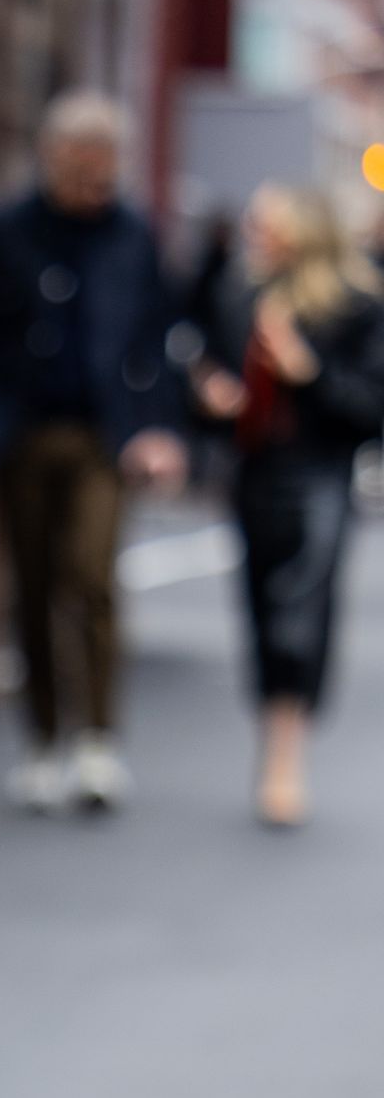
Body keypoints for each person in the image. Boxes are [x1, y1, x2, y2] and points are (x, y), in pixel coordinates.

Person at [0, 90, 186, 813]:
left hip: (103, 438)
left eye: (105, 170)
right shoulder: (5, 231)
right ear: (53, 158)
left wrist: (157, 425)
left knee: (92, 577)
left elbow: (161, 337)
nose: (93, 184)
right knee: (33, 586)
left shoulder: (133, 235)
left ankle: (98, 740)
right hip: (22, 437)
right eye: (81, 168)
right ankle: (44, 737)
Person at [186, 184, 384, 828]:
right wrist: (213, 401)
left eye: (267, 226)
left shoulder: (355, 306)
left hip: (318, 474)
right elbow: (205, 368)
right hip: (255, 473)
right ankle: (274, 738)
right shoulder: (241, 295)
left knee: (299, 614)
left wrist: (309, 371)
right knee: (262, 607)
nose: (256, 235)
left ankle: (285, 757)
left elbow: (369, 407)